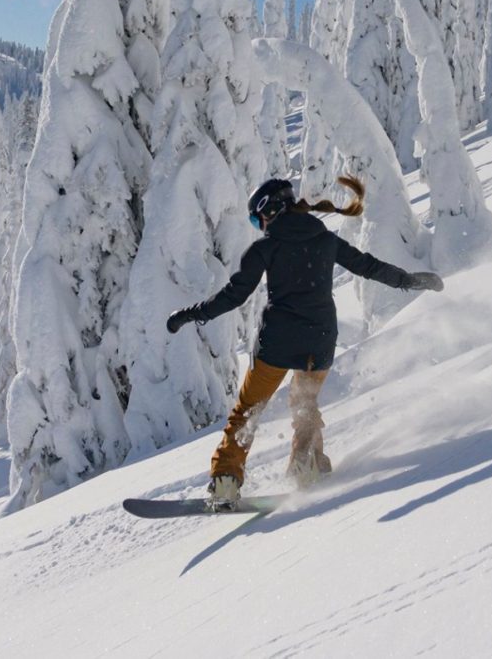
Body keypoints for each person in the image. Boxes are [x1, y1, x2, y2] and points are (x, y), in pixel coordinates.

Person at [165, 176, 444, 505]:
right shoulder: (325, 239)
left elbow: (234, 296)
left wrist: (190, 314)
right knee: (305, 404)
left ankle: (226, 480)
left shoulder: (266, 248)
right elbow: (368, 266)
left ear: (271, 210)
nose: (259, 225)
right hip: (320, 341)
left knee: (247, 412)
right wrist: (409, 281)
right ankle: (306, 466)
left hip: (278, 344)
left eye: (258, 218)